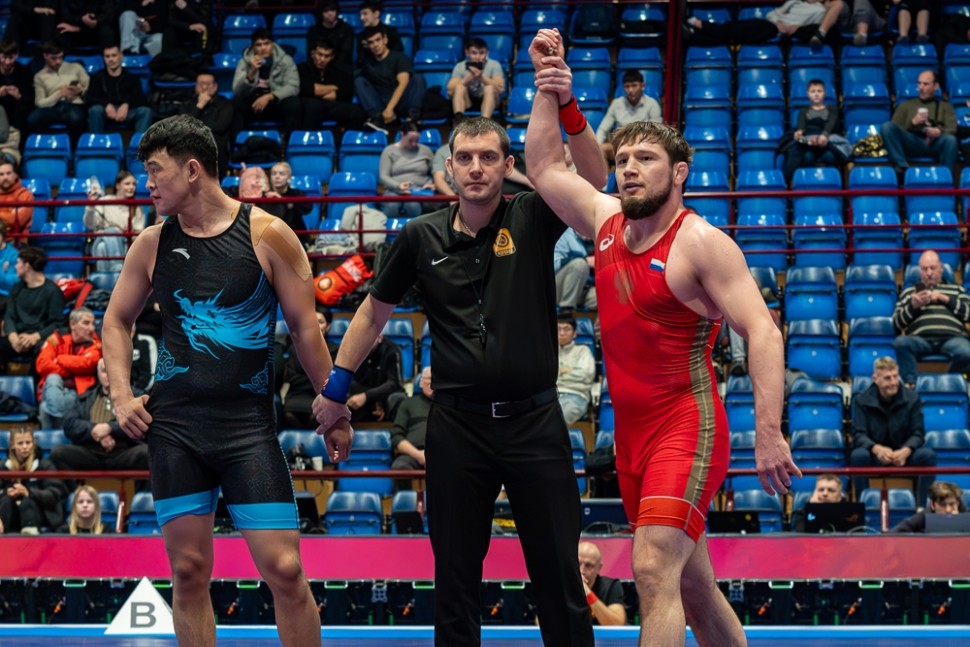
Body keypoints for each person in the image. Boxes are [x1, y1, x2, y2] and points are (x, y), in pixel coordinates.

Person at [524, 27, 799, 646]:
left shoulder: (700, 243)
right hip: (631, 439)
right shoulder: (604, 219)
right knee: (692, 588)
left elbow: (762, 330)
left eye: (644, 159)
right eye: (622, 160)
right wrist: (549, 86)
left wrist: (768, 430)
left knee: (650, 570)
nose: (628, 169)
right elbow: (542, 166)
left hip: (686, 427)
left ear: (679, 173)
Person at [312, 109, 608, 644]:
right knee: (454, 579)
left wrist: (566, 106)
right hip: (457, 428)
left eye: (488, 157)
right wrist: (336, 389)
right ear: (448, 167)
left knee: (559, 576)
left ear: (508, 166)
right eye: (465, 158)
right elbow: (373, 314)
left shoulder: (534, 215)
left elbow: (593, 177)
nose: (476, 168)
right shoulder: (418, 237)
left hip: (535, 425)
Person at [100, 114, 350, 647]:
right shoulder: (152, 243)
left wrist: (334, 407)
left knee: (285, 570)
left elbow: (305, 329)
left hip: (247, 429)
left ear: (192, 170)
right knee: (188, 572)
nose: (148, 184)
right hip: (175, 429)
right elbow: (116, 319)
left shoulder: (269, 234)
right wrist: (120, 394)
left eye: (155, 171)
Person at [851, 355, 936, 504]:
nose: (893, 382)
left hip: (904, 454)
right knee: (858, 456)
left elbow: (918, 433)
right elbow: (859, 434)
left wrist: (906, 450)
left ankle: (923, 508)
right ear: (875, 379)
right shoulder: (861, 400)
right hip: (875, 454)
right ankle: (863, 506)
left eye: (896, 377)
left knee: (927, 455)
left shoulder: (912, 398)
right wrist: (876, 449)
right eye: (887, 378)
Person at [53, 357, 150, 473]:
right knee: (59, 453)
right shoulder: (84, 398)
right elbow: (69, 424)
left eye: (112, 371)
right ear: (98, 373)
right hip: (91, 453)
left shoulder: (137, 395)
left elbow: (142, 422)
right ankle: (79, 486)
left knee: (148, 452)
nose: (108, 375)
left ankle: (139, 486)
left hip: (125, 451)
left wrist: (110, 428)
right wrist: (93, 430)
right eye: (104, 371)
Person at [892, 250, 970, 387]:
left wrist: (944, 298)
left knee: (967, 352)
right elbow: (897, 323)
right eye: (925, 269)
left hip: (953, 338)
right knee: (900, 343)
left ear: (941, 269)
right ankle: (911, 386)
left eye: (933, 268)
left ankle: (948, 384)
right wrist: (913, 306)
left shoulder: (957, 290)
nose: (929, 273)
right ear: (920, 271)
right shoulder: (909, 292)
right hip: (920, 339)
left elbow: (968, 314)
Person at [880, 70, 958, 175]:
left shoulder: (945, 106)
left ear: (935, 86)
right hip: (912, 142)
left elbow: (952, 128)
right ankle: (902, 168)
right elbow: (893, 131)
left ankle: (946, 177)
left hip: (935, 144)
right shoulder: (905, 105)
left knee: (951, 140)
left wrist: (938, 131)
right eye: (919, 83)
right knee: (886, 126)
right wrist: (912, 123)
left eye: (925, 84)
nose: (921, 88)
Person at [36, 306, 102, 429]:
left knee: (45, 407)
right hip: (52, 390)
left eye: (93, 324)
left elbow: (86, 364)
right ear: (72, 324)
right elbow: (42, 365)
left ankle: (51, 433)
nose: (92, 328)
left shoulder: (97, 344)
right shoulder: (57, 338)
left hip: (78, 393)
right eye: (86, 323)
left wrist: (60, 359)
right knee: (53, 378)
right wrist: (73, 370)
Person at [0, 247, 65, 367]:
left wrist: (36, 336)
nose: (15, 267)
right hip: (17, 337)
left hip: (40, 339)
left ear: (27, 266)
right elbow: (9, 316)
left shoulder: (53, 291)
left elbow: (57, 323)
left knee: (45, 351)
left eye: (18, 263)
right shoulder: (17, 288)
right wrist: (13, 336)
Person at [355, 24, 425, 134]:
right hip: (380, 103)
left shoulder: (399, 57)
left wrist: (389, 109)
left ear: (385, 40)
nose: (375, 45)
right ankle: (377, 120)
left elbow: (403, 83)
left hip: (400, 102)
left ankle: (412, 120)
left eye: (378, 40)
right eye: (371, 42)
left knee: (417, 78)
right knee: (359, 81)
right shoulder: (367, 63)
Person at [231, 28, 301, 137]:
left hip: (276, 103)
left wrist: (270, 97)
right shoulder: (244, 61)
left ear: (272, 44)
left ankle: (290, 141)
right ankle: (238, 143)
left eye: (266, 43)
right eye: (259, 45)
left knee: (293, 104)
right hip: (253, 104)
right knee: (236, 104)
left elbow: (294, 87)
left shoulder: (285, 60)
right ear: (253, 47)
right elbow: (237, 92)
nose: (263, 48)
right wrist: (251, 72)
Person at [276, 306, 337, 430]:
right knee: (289, 415)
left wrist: (311, 378)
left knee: (317, 416)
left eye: (320, 322)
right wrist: (317, 378)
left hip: (321, 395)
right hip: (297, 394)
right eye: (313, 322)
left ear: (328, 326)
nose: (316, 326)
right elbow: (293, 378)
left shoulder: (335, 350)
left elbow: (332, 380)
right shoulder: (296, 347)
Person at [0, 428, 68, 534]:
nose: (25, 447)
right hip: (9, 515)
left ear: (33, 443)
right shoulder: (3, 467)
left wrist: (29, 493)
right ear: (12, 445)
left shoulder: (45, 466)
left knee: (28, 501)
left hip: (38, 515)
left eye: (28, 442)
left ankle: (30, 535)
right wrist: (6, 493)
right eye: (20, 443)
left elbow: (55, 494)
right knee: (6, 501)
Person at [294, 38, 366, 132]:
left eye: (327, 56)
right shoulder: (301, 69)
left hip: (330, 106)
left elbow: (346, 93)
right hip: (309, 106)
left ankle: (342, 138)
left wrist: (317, 92)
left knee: (357, 112)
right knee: (312, 105)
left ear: (332, 57)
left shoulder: (339, 71)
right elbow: (306, 89)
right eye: (320, 54)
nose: (322, 59)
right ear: (312, 54)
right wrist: (334, 87)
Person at [684, 0, 828, 45]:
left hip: (777, 33)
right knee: (730, 36)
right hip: (771, 25)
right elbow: (772, 14)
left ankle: (697, 25)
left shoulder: (820, 11)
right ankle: (693, 35)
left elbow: (808, 29)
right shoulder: (795, 1)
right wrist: (778, 21)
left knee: (731, 32)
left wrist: (791, 28)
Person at [782, 78, 842, 186]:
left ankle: (832, 184)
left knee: (830, 157)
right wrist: (799, 133)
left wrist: (824, 136)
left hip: (827, 143)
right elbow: (801, 127)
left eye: (819, 91)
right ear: (808, 94)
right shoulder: (804, 111)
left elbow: (830, 125)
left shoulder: (832, 110)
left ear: (824, 93)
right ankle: (806, 184)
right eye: (813, 91)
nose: (816, 94)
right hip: (810, 144)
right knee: (808, 157)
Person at [28, 41, 89, 147]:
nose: (58, 62)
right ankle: (47, 146)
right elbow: (39, 103)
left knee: (76, 117)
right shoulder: (39, 77)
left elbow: (90, 87)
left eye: (60, 57)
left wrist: (80, 91)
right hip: (52, 108)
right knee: (33, 118)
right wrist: (59, 94)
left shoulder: (76, 67)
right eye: (54, 58)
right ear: (45, 56)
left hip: (74, 104)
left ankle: (74, 149)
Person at [84, 170, 146, 272]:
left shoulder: (136, 208)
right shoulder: (104, 201)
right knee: (112, 231)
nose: (131, 187)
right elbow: (90, 224)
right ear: (117, 186)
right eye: (127, 184)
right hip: (102, 238)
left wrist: (129, 233)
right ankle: (117, 267)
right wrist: (91, 207)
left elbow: (139, 234)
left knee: (101, 248)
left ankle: (107, 279)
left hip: (125, 245)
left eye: (134, 184)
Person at [596, 70, 662, 162]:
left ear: (642, 86)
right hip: (619, 145)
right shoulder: (616, 104)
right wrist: (596, 145)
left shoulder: (652, 104)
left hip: (643, 146)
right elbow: (603, 129)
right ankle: (606, 173)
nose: (630, 90)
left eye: (634, 86)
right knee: (600, 149)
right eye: (627, 86)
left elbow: (656, 133)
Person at [178, 73, 234, 180]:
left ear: (215, 86)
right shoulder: (187, 105)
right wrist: (200, 105)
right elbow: (183, 126)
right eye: (201, 84)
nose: (204, 87)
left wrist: (195, 126)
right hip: (190, 145)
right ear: (196, 87)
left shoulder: (225, 104)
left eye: (208, 84)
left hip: (216, 146)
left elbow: (220, 126)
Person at [86, 45, 153, 134]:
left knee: (145, 111)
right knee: (95, 110)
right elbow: (90, 98)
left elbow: (140, 99)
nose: (111, 59)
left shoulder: (132, 78)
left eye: (114, 55)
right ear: (104, 58)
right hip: (105, 113)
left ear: (121, 56)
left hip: (127, 112)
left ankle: (140, 142)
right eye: (107, 56)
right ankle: (96, 141)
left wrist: (126, 104)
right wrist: (106, 105)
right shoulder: (97, 77)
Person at [378, 120, 435, 217]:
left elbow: (436, 172)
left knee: (413, 206)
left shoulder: (426, 150)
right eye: (410, 140)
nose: (414, 144)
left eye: (417, 140)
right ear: (402, 134)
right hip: (393, 190)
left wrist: (433, 184)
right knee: (392, 206)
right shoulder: (389, 151)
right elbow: (383, 176)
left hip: (419, 191)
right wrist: (398, 186)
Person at [446, 37, 505, 122]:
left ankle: (484, 122)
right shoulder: (460, 66)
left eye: (481, 53)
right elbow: (450, 91)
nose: (478, 57)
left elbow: (500, 89)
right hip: (468, 101)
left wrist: (481, 77)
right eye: (474, 53)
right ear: (467, 52)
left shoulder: (494, 65)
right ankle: (459, 121)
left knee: (489, 88)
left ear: (486, 53)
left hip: (490, 100)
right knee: (459, 87)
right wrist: (468, 78)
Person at [389, 364, 431, 475]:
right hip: (414, 454)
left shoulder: (448, 406)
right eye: (429, 379)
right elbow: (396, 437)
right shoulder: (407, 404)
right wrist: (419, 455)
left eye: (436, 380)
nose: (432, 383)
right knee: (400, 466)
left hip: (444, 455)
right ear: (421, 382)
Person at [557, 312, 595, 426]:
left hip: (575, 396)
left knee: (557, 418)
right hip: (551, 396)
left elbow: (585, 375)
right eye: (558, 329)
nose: (562, 333)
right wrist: (568, 371)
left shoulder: (583, 351)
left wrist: (558, 375)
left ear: (574, 333)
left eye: (566, 329)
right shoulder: (548, 353)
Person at [578, 541, 628, 626]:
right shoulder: (562, 586)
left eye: (588, 565)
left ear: (599, 568)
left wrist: (587, 592)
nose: (582, 570)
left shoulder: (610, 586)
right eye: (578, 564)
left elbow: (617, 625)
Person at [266, 161, 313, 243]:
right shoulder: (266, 195)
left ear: (289, 178)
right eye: (274, 173)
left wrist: (284, 201)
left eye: (281, 174)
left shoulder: (296, 193)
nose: (277, 177)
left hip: (296, 238)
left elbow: (308, 207)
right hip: (272, 238)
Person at [891, 481, 965, 532]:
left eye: (952, 504)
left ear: (958, 503)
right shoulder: (923, 517)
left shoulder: (966, 516)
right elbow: (895, 533)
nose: (948, 510)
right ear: (932, 505)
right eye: (942, 505)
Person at [50, 0, 116, 52]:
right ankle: (59, 63)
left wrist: (97, 20)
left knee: (106, 31)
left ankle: (110, 61)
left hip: (96, 29)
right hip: (75, 28)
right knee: (61, 31)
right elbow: (65, 15)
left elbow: (109, 15)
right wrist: (81, 20)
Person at [0, 40, 35, 134]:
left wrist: (19, 96)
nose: (7, 62)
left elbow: (31, 98)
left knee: (22, 108)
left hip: (17, 109)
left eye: (11, 58)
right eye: (3, 57)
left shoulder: (24, 71)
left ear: (16, 56)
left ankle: (16, 136)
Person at [306, 0, 355, 66]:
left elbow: (346, 54)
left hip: (340, 67)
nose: (330, 13)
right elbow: (311, 54)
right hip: (319, 66)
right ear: (321, 13)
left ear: (337, 11)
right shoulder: (313, 31)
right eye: (326, 11)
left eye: (332, 10)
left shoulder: (347, 29)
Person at [0, 159, 32, 237]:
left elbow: (18, 220)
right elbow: (11, 218)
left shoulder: (25, 194)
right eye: (1, 174)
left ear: (15, 175)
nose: (5, 177)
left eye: (8, 173)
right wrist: (9, 215)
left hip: (16, 240)